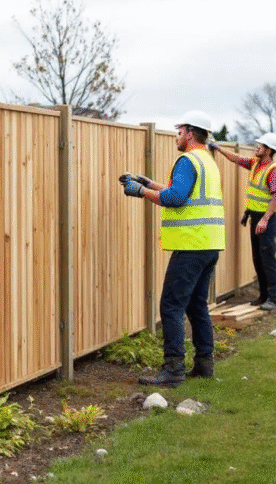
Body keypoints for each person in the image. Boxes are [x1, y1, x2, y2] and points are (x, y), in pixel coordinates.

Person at [119, 110, 225, 385]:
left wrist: (140, 192)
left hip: (191, 244)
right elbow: (182, 191)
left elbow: (176, 197)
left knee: (171, 306)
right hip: (209, 244)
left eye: (179, 132)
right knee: (196, 306)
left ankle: (173, 371)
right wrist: (148, 183)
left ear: (189, 133)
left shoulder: (187, 160)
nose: (176, 137)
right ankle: (204, 365)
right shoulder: (207, 160)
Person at [208, 132, 276, 311]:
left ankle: (274, 299)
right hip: (256, 217)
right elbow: (237, 159)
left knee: (268, 259)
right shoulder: (256, 164)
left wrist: (265, 219)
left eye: (261, 145)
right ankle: (264, 296)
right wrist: (218, 148)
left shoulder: (273, 170)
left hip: (267, 219)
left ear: (268, 150)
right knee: (258, 258)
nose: (257, 147)